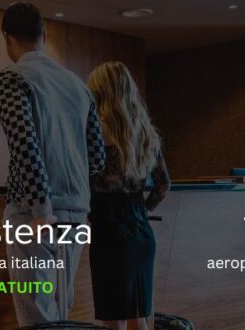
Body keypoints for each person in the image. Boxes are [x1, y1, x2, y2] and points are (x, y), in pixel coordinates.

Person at [0, 2, 106, 326]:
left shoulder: (9, 78)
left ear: (7, 38)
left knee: (38, 319)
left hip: (34, 213)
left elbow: (25, 144)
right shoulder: (78, 85)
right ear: (45, 34)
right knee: (60, 316)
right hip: (77, 212)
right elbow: (96, 156)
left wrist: (41, 210)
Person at [86, 61, 170, 330]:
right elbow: (163, 185)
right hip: (141, 230)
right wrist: (142, 210)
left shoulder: (95, 130)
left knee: (116, 323)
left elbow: (87, 180)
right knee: (139, 319)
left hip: (108, 230)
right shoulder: (145, 132)